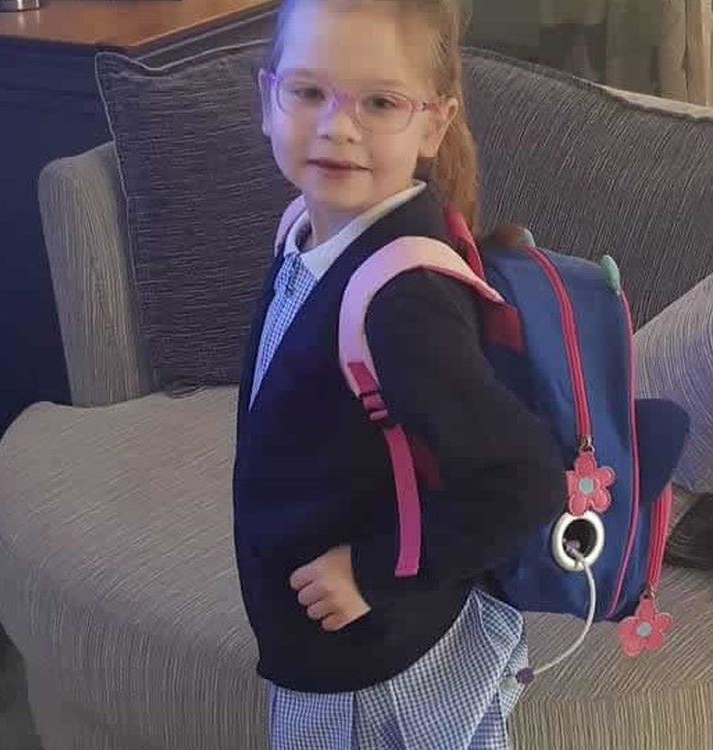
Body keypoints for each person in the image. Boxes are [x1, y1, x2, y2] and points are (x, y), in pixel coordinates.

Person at [232, 1, 567, 747]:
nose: (337, 126)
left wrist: (372, 570)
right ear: (267, 99)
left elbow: (529, 478)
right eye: (309, 91)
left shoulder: (402, 300)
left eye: (379, 102)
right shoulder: (304, 226)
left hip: (371, 667)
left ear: (432, 125)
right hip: (327, 638)